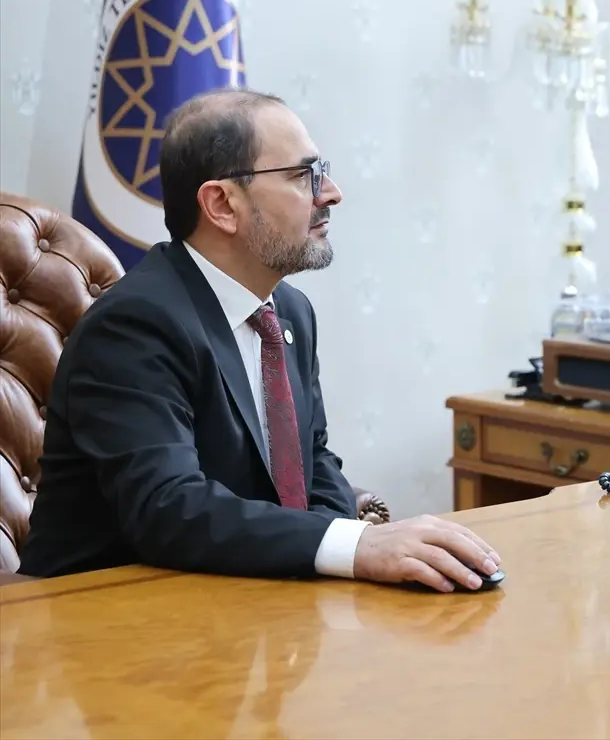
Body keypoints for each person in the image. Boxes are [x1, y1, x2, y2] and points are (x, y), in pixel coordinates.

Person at [19, 88, 500, 592]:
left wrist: (346, 558)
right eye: (302, 175)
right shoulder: (135, 325)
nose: (330, 192)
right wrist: (355, 547)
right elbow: (170, 509)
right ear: (222, 204)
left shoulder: (289, 311)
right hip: (99, 624)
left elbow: (313, 462)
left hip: (244, 610)